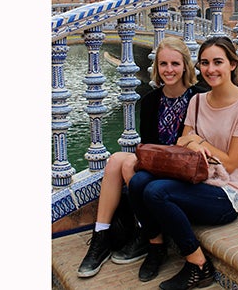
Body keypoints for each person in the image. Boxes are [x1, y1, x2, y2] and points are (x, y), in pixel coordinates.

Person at [128, 36, 238, 289]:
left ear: (232, 64)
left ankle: (198, 264)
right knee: (138, 181)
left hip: (225, 192)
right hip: (196, 177)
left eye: (218, 62)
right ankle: (155, 246)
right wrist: (193, 142)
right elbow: (181, 141)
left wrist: (200, 143)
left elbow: (231, 163)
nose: (210, 69)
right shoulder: (198, 101)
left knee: (156, 192)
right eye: (205, 63)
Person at [77, 36, 207, 279]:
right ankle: (101, 235)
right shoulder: (150, 101)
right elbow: (150, 145)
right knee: (117, 160)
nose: (169, 70)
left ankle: (148, 237)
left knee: (125, 163)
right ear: (156, 67)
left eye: (175, 64)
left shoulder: (199, 97)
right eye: (163, 64)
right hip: (159, 165)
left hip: (183, 170)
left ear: (186, 66)